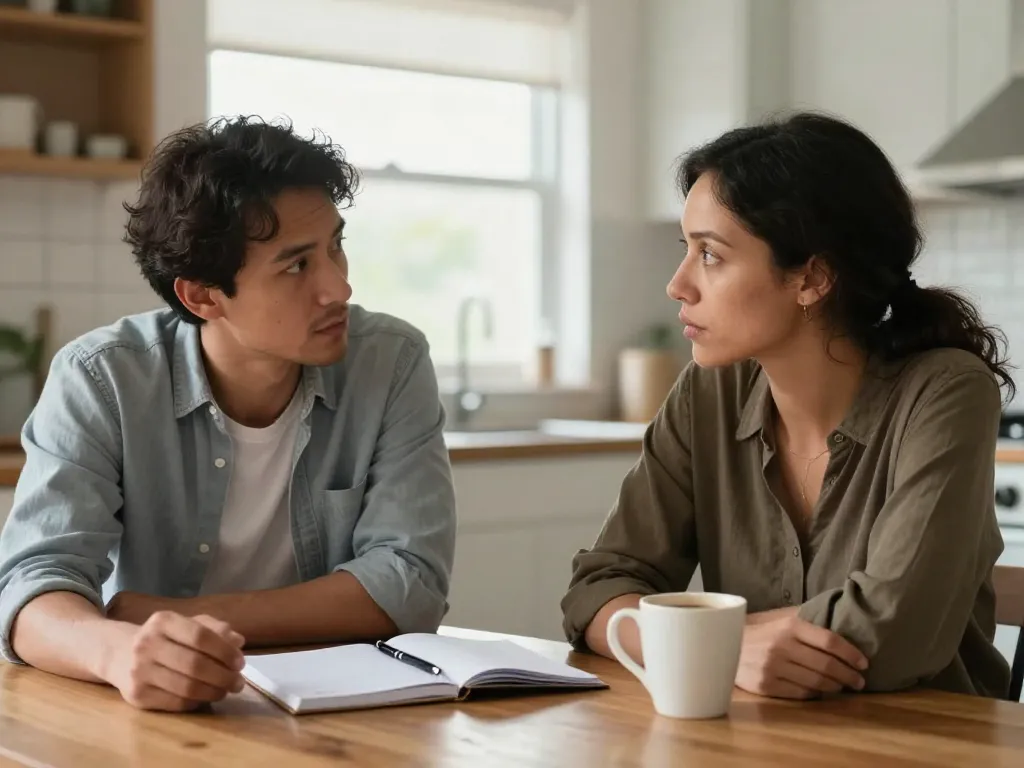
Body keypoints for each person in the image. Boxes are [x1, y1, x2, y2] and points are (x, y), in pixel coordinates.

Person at [0, 117, 457, 711]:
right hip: (156, 711)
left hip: (340, 704)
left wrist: (175, 616)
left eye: (336, 247)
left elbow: (411, 585)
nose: (338, 288)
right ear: (202, 296)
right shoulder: (102, 378)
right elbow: (30, 589)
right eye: (297, 266)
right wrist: (119, 651)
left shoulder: (392, 361)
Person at [561, 112, 1013, 700]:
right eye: (686, 249)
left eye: (711, 255)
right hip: (758, 741)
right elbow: (597, 588)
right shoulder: (708, 394)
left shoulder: (945, 390)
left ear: (812, 278)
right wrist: (730, 649)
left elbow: (896, 637)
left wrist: (701, 641)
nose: (678, 284)